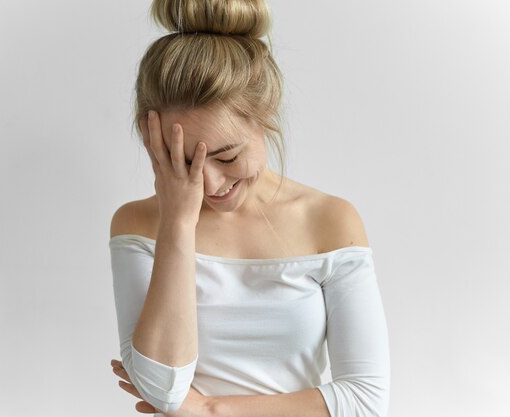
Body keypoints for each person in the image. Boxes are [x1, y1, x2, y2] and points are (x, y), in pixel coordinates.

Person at [108, 1, 390, 416]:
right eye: (184, 161)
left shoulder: (329, 220)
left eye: (226, 157)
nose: (210, 185)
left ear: (264, 120)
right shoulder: (138, 224)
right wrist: (178, 222)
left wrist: (209, 410)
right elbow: (162, 389)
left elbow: (366, 402)